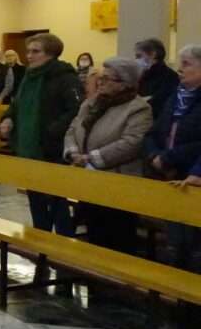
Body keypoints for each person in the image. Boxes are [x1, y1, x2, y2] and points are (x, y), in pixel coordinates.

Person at [63, 57, 152, 253]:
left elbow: (132, 143)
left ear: (124, 84)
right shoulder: (92, 103)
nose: (100, 82)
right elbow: (73, 127)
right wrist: (73, 152)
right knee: (93, 232)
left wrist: (92, 157)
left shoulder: (138, 108)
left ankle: (117, 281)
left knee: (116, 237)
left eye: (107, 79)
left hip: (118, 181)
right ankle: (94, 277)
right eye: (101, 78)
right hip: (88, 177)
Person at [0, 34, 82, 239]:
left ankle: (63, 243)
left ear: (51, 54)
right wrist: (8, 118)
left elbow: (75, 111)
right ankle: (41, 238)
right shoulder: (29, 75)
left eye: (35, 51)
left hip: (50, 147)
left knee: (56, 199)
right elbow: (17, 103)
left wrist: (51, 131)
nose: (29, 56)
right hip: (29, 146)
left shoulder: (64, 77)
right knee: (35, 198)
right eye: (28, 51)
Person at [144, 44, 201, 269]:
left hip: (192, 175)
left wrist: (172, 157)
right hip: (170, 173)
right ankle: (179, 296)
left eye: (186, 64)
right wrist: (155, 156)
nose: (180, 69)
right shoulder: (175, 97)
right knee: (176, 242)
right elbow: (154, 132)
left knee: (195, 244)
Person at [136, 37, 180, 119]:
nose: (136, 60)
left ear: (153, 54)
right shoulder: (141, 75)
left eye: (139, 56)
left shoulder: (170, 76)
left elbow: (158, 102)